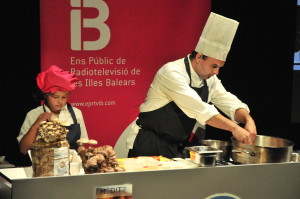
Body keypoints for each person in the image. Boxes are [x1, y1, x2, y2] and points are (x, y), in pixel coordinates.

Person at [125, 12, 257, 159]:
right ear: (199, 57)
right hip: (149, 144)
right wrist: (234, 128)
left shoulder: (209, 78)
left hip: (176, 147)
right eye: (214, 66)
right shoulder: (172, 73)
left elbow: (228, 101)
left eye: (220, 67)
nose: (216, 72)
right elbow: (200, 110)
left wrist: (248, 120)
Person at [17, 65, 89, 154]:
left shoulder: (76, 113)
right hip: (43, 164)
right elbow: (23, 150)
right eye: (55, 97)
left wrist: (83, 153)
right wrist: (37, 124)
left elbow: (81, 144)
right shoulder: (33, 114)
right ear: (46, 96)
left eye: (64, 97)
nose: (60, 101)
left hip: (71, 164)